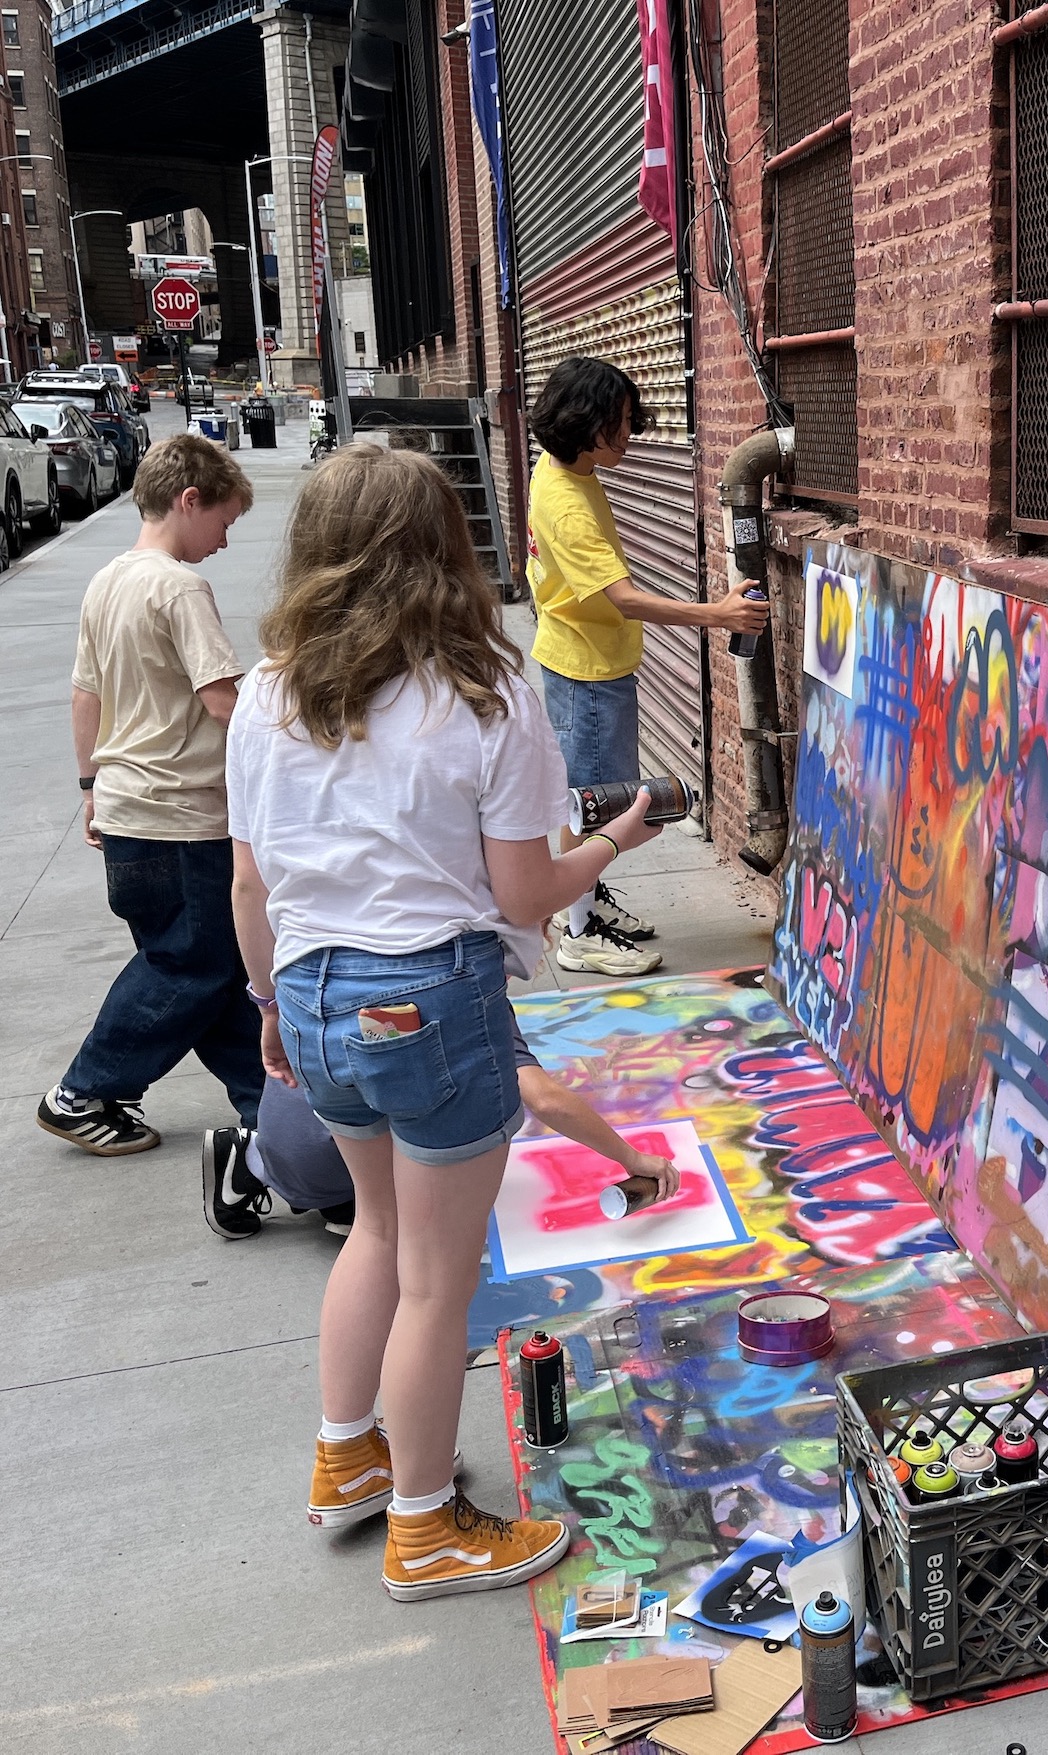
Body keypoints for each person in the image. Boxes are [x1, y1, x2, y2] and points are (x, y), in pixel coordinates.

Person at [227, 442, 662, 1601]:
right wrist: (620, 838)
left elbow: (250, 884)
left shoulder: (269, 692)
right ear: (445, 548)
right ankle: (427, 1524)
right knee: (438, 1278)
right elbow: (525, 899)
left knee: (375, 1236)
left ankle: (350, 1458)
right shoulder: (486, 691)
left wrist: (270, 1005)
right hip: (430, 998)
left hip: (314, 992)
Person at [38, 432, 261, 1157]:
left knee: (213, 969)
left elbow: (85, 692)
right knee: (189, 966)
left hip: (134, 808)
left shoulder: (108, 579)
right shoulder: (178, 586)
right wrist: (306, 726)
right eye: (223, 522)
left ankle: (270, 1103)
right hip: (183, 814)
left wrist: (90, 786)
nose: (225, 542)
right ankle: (85, 1089)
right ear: (188, 500)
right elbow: (224, 700)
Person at [526, 355, 769, 977]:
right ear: (588, 426)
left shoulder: (560, 472)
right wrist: (719, 615)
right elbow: (624, 598)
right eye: (623, 423)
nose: (632, 436)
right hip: (586, 671)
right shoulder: (569, 505)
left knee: (595, 794)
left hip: (584, 657)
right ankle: (578, 929)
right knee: (593, 801)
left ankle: (586, 901)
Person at [202, 999, 680, 1238]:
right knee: (480, 1095)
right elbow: (546, 1100)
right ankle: (267, 1167)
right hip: (322, 1165)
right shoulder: (464, 988)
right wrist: (631, 1156)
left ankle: (283, 1167)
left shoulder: (333, 951)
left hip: (309, 1133)